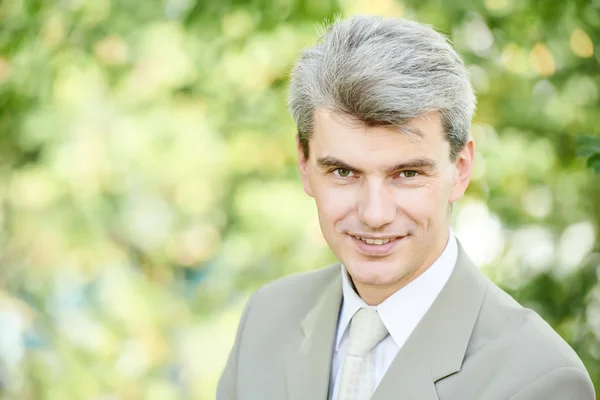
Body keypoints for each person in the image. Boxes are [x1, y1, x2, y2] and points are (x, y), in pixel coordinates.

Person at [217, 15, 595, 400]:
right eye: (343, 171)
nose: (374, 214)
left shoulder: (539, 378)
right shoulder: (266, 319)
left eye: (408, 173)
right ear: (304, 165)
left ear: (460, 169)